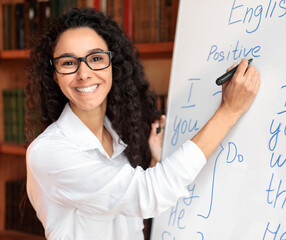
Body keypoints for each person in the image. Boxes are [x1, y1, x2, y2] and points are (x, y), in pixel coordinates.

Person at [25, 8, 260, 240]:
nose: (84, 73)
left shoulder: (116, 136)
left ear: (112, 65)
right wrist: (230, 111)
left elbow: (127, 209)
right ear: (54, 74)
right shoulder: (47, 152)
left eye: (96, 58)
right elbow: (148, 195)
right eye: (68, 63)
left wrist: (154, 163)